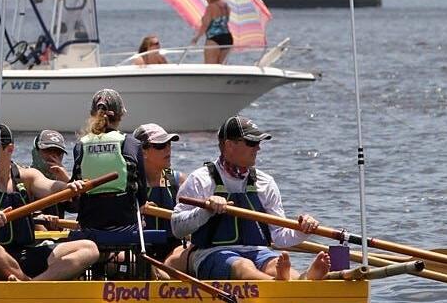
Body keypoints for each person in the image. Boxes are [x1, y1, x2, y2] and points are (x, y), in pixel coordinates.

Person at [170, 116, 330, 281]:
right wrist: (206, 210)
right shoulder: (200, 179)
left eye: (259, 143)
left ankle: (297, 281)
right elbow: (177, 228)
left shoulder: (265, 182)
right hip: (211, 253)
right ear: (229, 145)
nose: (258, 148)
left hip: (258, 251)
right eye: (251, 143)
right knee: (243, 266)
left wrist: (301, 230)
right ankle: (282, 284)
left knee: (274, 263)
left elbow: (279, 236)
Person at [0, 123, 97, 281]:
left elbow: (51, 187)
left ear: (9, 149)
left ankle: (30, 286)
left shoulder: (27, 176)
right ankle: (26, 285)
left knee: (90, 249)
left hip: (25, 253)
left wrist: (69, 186)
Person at [70, 89, 148, 266]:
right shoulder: (132, 144)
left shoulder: (80, 146)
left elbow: (74, 196)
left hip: (90, 225)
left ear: (92, 114)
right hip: (126, 225)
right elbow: (142, 198)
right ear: (121, 114)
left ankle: (97, 269)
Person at [131, 123, 188, 276]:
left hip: (173, 248)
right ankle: (158, 273)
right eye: (161, 146)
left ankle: (161, 272)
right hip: (138, 247)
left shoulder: (178, 181)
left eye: (169, 144)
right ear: (143, 151)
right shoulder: (129, 183)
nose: (168, 149)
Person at [194, 0, 232, 64]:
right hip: (227, 38)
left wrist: (196, 38)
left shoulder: (210, 7)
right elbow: (224, 21)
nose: (205, 0)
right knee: (222, 67)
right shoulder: (226, 6)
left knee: (210, 66)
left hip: (214, 38)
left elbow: (205, 25)